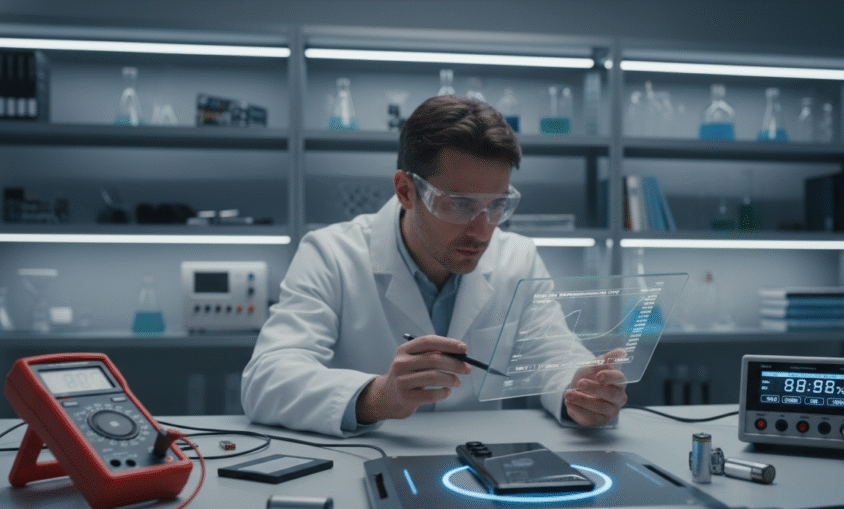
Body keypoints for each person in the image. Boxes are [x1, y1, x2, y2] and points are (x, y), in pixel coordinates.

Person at [241, 94, 626, 437]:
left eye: (496, 205)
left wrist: (581, 389)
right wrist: (376, 397)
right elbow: (266, 379)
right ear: (406, 191)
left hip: (479, 469)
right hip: (364, 463)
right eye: (459, 204)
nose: (482, 230)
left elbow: (552, 356)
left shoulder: (518, 257)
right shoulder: (331, 254)